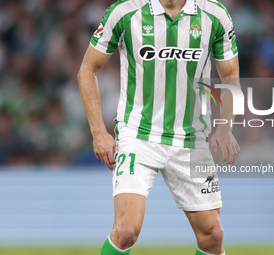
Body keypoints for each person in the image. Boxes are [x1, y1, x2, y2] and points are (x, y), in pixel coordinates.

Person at [78, 0, 241, 254]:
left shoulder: (215, 15)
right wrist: (99, 131)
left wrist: (224, 127)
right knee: (126, 231)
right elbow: (87, 69)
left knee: (213, 236)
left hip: (191, 139)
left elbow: (230, 75)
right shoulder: (125, 12)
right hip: (138, 134)